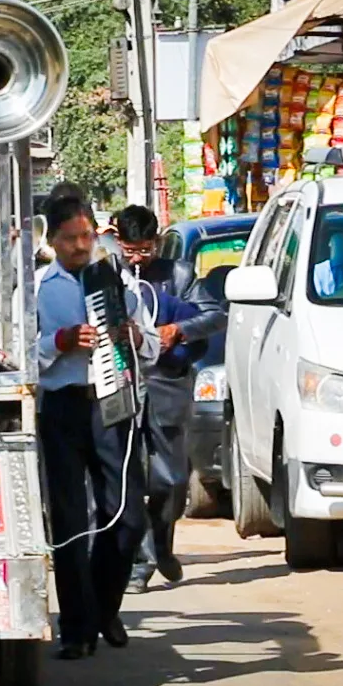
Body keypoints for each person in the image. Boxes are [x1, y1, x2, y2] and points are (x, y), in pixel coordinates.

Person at [36, 193, 159, 660]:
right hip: (64, 407)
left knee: (128, 514)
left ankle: (104, 607)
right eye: (70, 238)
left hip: (113, 404)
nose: (80, 246)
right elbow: (21, 355)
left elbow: (150, 350)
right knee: (69, 522)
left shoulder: (118, 283)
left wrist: (134, 336)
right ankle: (76, 630)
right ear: (52, 241)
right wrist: (60, 342)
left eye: (86, 236)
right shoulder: (35, 289)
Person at [114, 205, 226, 594]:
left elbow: (215, 317)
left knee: (172, 480)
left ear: (157, 242)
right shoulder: (107, 275)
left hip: (167, 386)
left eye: (144, 250)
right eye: (130, 250)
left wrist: (177, 330)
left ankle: (162, 542)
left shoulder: (179, 275)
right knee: (130, 480)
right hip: (121, 387)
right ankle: (139, 565)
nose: (137, 258)